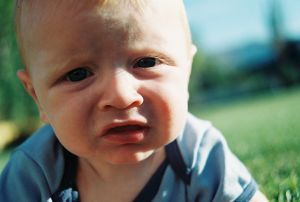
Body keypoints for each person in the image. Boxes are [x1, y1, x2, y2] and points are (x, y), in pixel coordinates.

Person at [0, 0, 268, 201]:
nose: (121, 96)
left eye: (147, 62)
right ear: (37, 97)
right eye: (78, 74)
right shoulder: (33, 175)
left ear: (186, 72)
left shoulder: (203, 156)